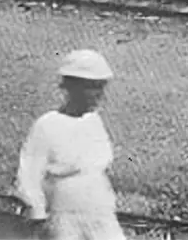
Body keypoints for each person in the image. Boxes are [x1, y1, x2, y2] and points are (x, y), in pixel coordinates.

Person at [16, 50, 125, 240]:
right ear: (71, 87)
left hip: (100, 210)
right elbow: (29, 174)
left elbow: (98, 163)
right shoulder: (48, 125)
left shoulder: (93, 121)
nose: (99, 95)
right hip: (65, 215)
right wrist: (37, 212)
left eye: (101, 87)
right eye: (91, 88)